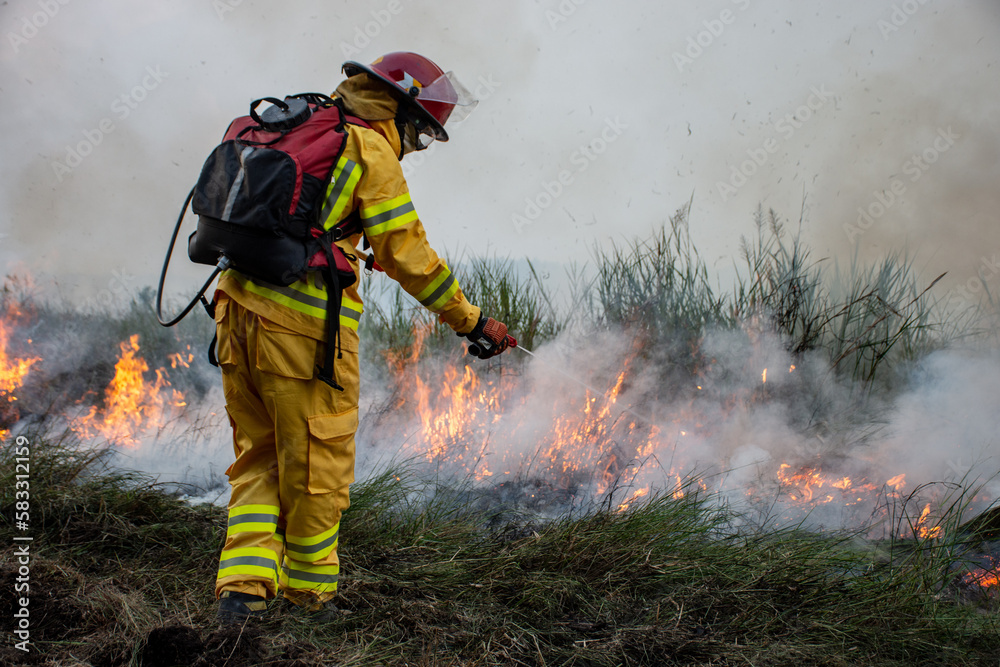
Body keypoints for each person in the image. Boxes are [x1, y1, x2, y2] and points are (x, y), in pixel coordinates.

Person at [214, 51, 511, 623]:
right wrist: (471, 321)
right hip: (300, 333)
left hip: (235, 311)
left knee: (260, 457)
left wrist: (343, 241)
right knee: (317, 468)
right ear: (399, 110)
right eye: (419, 135)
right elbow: (411, 256)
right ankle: (310, 600)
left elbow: (312, 219)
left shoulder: (302, 123)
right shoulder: (368, 146)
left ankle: (242, 594)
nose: (414, 148)